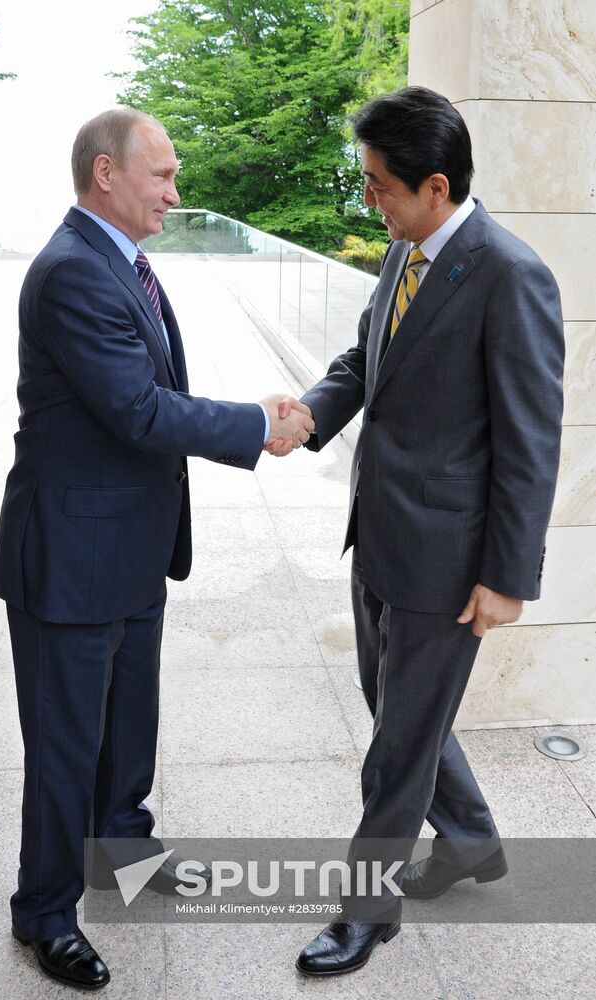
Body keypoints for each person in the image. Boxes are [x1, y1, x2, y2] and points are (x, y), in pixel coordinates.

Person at [0, 107, 314, 990]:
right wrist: (259, 424)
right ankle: (45, 911)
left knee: (126, 723)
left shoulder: (120, 261)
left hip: (130, 547)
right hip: (70, 558)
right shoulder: (72, 273)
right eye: (162, 176)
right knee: (66, 744)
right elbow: (139, 409)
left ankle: (122, 854)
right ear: (106, 174)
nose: (176, 193)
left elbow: (149, 400)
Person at [271, 86, 564, 977]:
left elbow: (529, 440)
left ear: (433, 186)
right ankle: (470, 837)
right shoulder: (405, 253)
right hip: (381, 537)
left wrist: (506, 576)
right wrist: (308, 418)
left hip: (448, 559)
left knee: (397, 745)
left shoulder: (512, 275)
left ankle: (367, 912)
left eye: (378, 187)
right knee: (402, 713)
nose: (369, 200)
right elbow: (365, 360)